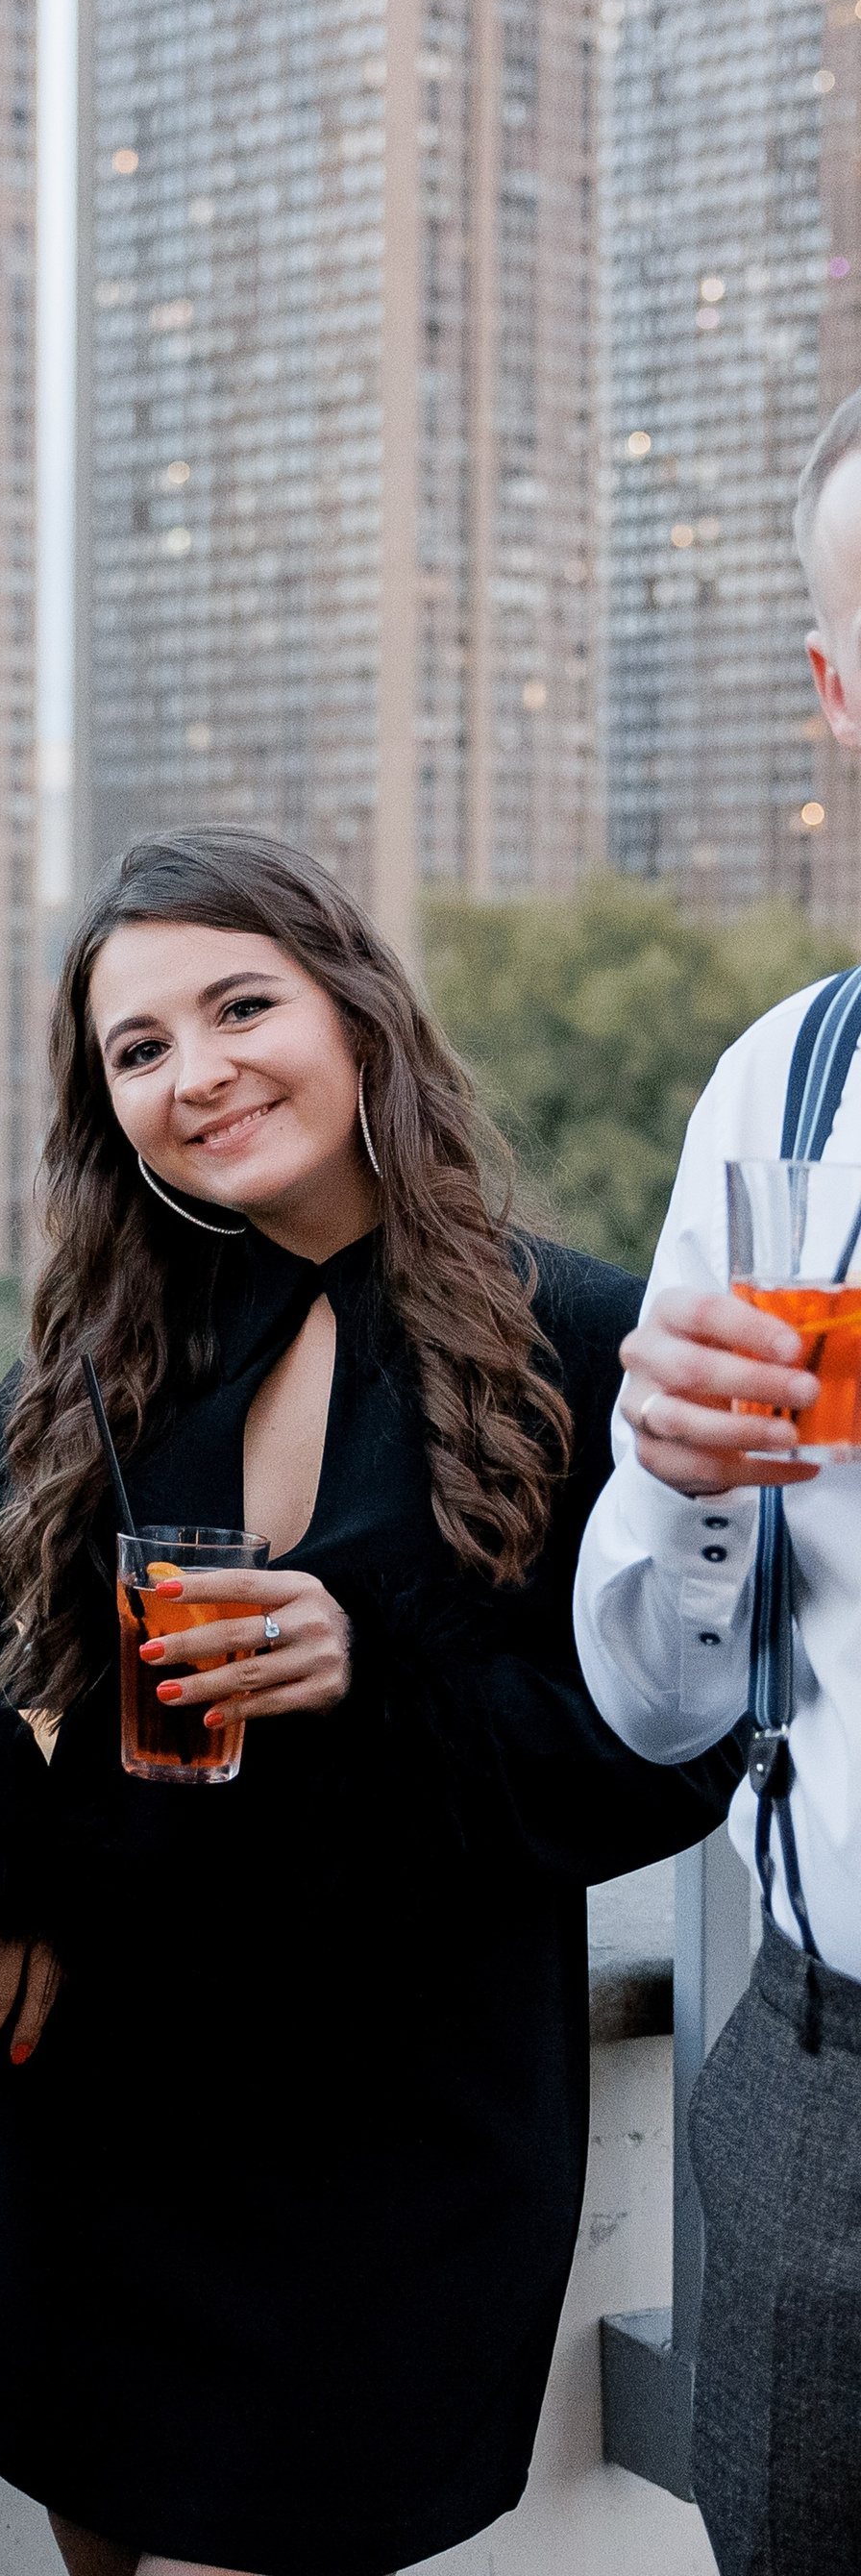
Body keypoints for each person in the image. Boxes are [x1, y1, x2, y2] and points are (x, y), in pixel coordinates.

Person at [0, 826, 738, 2576]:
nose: (198, 1073)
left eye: (241, 1006)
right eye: (140, 1048)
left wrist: (376, 1678)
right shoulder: (112, 1342)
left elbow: (676, 1748)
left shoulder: (585, 1338)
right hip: (103, 2135)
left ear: (357, 1010)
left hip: (395, 2155)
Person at [575, 385, 861, 2574]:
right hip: (824, 2084)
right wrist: (674, 1475)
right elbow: (663, 1705)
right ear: (839, 692)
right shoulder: (782, 1096)